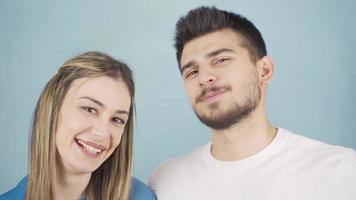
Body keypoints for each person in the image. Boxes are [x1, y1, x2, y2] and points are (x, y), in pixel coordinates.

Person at [149, 6, 356, 200]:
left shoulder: (340, 171)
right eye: (192, 72)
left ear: (264, 70)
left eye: (221, 60)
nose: (203, 77)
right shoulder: (165, 181)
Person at [0, 52, 156, 200]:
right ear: (52, 108)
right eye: (89, 109)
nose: (102, 133)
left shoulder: (141, 197)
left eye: (117, 119)